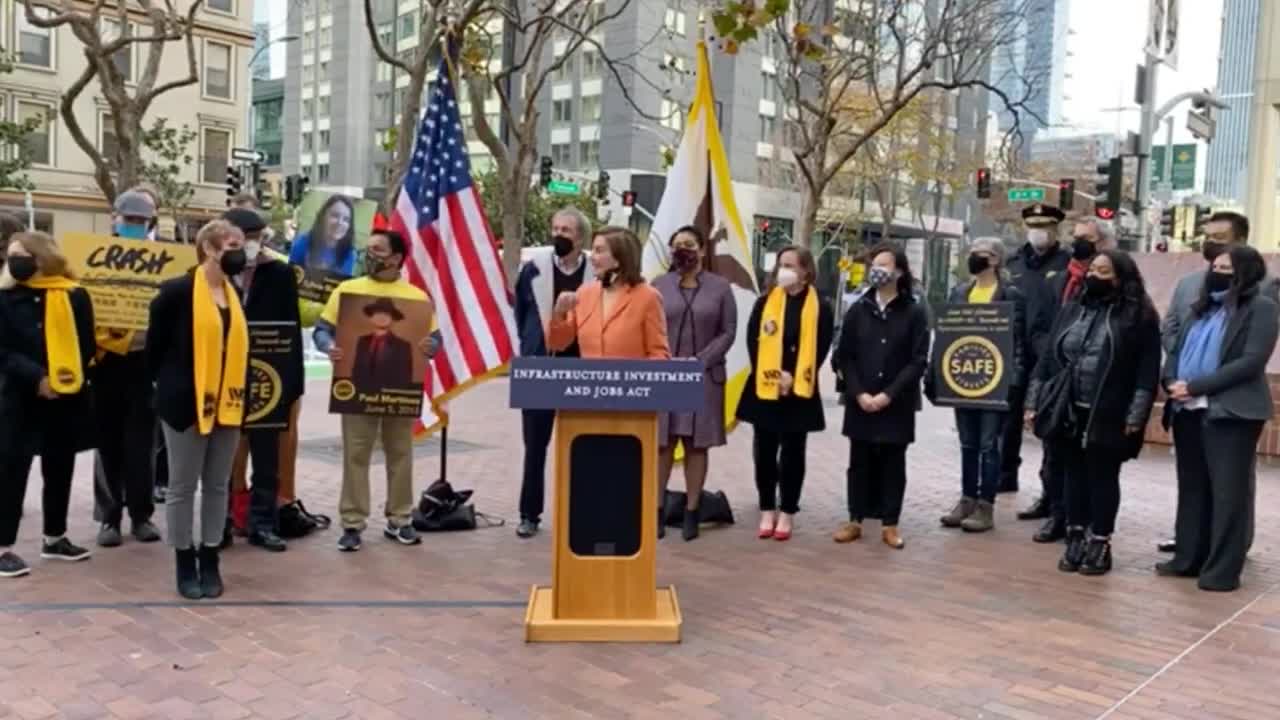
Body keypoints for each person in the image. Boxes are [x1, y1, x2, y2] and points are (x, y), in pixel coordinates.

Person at [1025, 250, 1161, 576]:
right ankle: (1075, 535)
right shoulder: (1073, 309)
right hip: (1067, 407)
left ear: (1121, 277)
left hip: (1109, 412)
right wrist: (1033, 401)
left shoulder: (1139, 317)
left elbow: (1147, 372)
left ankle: (1099, 540)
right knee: (1072, 474)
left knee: (1102, 477)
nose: (1094, 275)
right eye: (1093, 269)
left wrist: (1135, 416)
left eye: (1104, 270)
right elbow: (1047, 360)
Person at [1158, 245, 1278, 592]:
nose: (1217, 271)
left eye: (1226, 267)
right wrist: (1171, 382)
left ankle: (1221, 571)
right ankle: (1187, 558)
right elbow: (1176, 349)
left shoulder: (1262, 308)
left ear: (1245, 273)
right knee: (1192, 488)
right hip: (1187, 410)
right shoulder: (1201, 308)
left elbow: (1251, 361)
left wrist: (1195, 386)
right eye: (1214, 265)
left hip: (1231, 412)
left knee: (1229, 494)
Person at [314, 229, 438, 552]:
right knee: (356, 453)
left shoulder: (416, 298)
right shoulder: (347, 290)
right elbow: (322, 330)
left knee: (401, 453)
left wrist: (430, 345)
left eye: (377, 250)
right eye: (367, 249)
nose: (369, 255)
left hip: (400, 389)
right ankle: (352, 523)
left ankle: (401, 519)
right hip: (356, 388)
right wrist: (329, 347)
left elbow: (434, 339)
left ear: (396, 258)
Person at [147, 220, 251, 599]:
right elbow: (154, 350)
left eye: (243, 243)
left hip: (229, 404)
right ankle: (182, 558)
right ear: (208, 247)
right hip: (185, 405)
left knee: (218, 485)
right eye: (232, 243)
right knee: (181, 486)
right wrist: (170, 389)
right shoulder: (176, 292)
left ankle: (210, 557)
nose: (241, 250)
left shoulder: (234, 291)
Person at [0, 232, 97, 578]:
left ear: (43, 257)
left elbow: (87, 344)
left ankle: (55, 538)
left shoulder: (75, 295)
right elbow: (4, 351)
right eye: (11, 255)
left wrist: (66, 378)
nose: (15, 261)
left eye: (22, 254)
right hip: (20, 396)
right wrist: (37, 377)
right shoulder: (5, 298)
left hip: (65, 397)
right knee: (11, 468)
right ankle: (4, 546)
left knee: (60, 466)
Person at [1019, 216, 1119, 542]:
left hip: (1091, 384)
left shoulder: (1118, 283)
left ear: (1103, 243)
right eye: (1075, 237)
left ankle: (1082, 518)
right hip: (1054, 377)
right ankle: (1056, 509)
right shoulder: (1060, 279)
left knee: (1086, 460)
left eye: (1086, 238)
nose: (1078, 243)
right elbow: (1040, 324)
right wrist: (1054, 355)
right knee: (1053, 451)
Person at [831, 243, 929, 550]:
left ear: (899, 271)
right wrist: (858, 392)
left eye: (885, 264)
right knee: (858, 462)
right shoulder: (859, 309)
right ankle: (855, 519)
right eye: (875, 263)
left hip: (896, 403)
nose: (878, 269)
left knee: (892, 463)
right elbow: (844, 356)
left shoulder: (913, 311)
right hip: (860, 401)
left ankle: (890, 523)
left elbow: (918, 360)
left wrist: (889, 394)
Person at [736, 245, 835, 542]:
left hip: (799, 390)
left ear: (806, 271)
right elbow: (754, 342)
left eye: (790, 265)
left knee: (793, 452)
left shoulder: (821, 307)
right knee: (764, 450)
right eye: (781, 264)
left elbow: (822, 346)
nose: (784, 270)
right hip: (765, 389)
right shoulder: (765, 302)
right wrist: (773, 376)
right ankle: (767, 507)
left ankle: (788, 510)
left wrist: (793, 376)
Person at [223, 207, 303, 553]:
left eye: (255, 237)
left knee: (267, 455)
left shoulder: (281, 274)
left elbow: (293, 330)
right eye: (243, 238)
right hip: (224, 377)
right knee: (223, 455)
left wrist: (292, 384)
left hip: (269, 378)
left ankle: (264, 523)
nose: (250, 244)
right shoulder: (211, 274)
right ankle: (222, 523)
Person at [511, 208, 594, 538]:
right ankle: (529, 514)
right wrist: (531, 345)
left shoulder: (596, 272)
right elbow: (520, 312)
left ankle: (582, 513)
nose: (559, 234)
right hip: (539, 367)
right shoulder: (533, 268)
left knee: (582, 445)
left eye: (567, 230)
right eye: (556, 228)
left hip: (582, 368)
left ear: (581, 237)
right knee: (535, 445)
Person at [651, 226, 737, 541]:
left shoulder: (721, 288)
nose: (681, 250)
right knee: (663, 443)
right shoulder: (658, 286)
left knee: (695, 445)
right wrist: (665, 360)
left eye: (688, 245)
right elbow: (649, 327)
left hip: (704, 377)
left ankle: (691, 510)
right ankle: (657, 510)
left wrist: (700, 361)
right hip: (666, 375)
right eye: (676, 246)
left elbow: (728, 331)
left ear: (701, 250)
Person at [938, 238, 1027, 533]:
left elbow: (1017, 342)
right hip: (964, 377)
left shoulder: (1010, 295)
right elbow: (948, 333)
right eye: (973, 252)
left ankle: (986, 505)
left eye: (982, 254)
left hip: (995, 380)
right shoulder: (960, 292)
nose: (975, 257)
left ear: (996, 260)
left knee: (989, 444)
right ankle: (966, 498)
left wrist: (1013, 380)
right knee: (967, 443)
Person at [93, 190, 163, 547]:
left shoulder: (165, 261)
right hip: (104, 361)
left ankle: (141, 515)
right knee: (107, 443)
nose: (134, 225)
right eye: (129, 219)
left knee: (142, 444)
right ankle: (109, 517)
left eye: (141, 220)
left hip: (144, 363)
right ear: (115, 218)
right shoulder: (95, 259)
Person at [1000, 204, 1065, 494]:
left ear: (1056, 229)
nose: (1040, 232)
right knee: (1007, 420)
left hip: (1049, 355)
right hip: (1014, 352)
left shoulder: (1067, 264)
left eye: (1046, 226)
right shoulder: (1012, 264)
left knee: (1051, 423)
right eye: (1034, 226)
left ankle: (1049, 492)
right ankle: (1004, 476)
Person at [547, 226, 669, 360]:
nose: (591, 257)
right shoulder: (584, 293)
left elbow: (659, 354)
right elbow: (558, 344)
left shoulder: (648, 297)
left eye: (598, 251)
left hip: (630, 380)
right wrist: (559, 313)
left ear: (619, 258)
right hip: (589, 380)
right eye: (592, 250)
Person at [351, 298, 415, 388]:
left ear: (393, 319)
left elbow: (404, 379)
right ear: (371, 318)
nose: (382, 317)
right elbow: (356, 372)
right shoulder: (362, 341)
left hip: (389, 398)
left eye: (386, 314)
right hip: (361, 396)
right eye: (378, 313)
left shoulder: (403, 346)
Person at [289, 194, 356, 275]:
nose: (340, 223)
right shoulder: (302, 244)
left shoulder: (349, 254)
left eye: (346, 219)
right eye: (335, 215)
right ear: (323, 217)